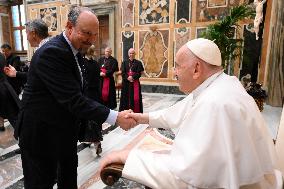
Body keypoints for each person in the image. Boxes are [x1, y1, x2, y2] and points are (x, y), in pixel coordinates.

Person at [100, 38, 282, 189]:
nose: (174, 72)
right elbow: (178, 111)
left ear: (196, 68)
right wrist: (142, 118)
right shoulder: (222, 84)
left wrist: (129, 157)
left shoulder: (214, 104)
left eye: (177, 66)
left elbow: (185, 178)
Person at [17, 6, 136, 189]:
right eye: (86, 33)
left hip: (63, 131)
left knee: (69, 179)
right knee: (41, 183)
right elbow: (73, 99)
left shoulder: (74, 50)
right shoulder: (52, 52)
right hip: (41, 135)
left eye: (94, 34)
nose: (91, 40)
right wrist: (115, 117)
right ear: (69, 26)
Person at [4, 19, 50, 83]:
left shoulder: (46, 50)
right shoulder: (45, 47)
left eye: (27, 33)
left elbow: (38, 77)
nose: (27, 38)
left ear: (33, 33)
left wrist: (16, 74)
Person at [78, 45, 103, 155]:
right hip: (96, 94)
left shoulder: (83, 63)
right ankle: (95, 141)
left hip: (87, 94)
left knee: (88, 118)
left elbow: (82, 81)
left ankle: (94, 140)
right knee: (95, 117)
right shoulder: (96, 64)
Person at [119, 48, 144, 113]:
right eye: (130, 53)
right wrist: (128, 77)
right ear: (128, 54)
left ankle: (135, 111)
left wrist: (132, 77)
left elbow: (139, 73)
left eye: (133, 53)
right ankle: (125, 110)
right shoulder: (124, 62)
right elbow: (123, 72)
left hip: (135, 82)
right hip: (126, 83)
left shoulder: (138, 63)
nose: (131, 54)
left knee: (135, 97)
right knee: (125, 97)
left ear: (135, 54)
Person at [0, 53, 20, 132]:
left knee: (12, 114)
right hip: (5, 86)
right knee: (12, 114)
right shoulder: (1, 55)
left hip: (2, 88)